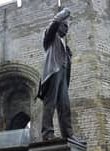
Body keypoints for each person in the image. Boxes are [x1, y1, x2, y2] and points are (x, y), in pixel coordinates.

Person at [37, 8, 76, 141]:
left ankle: (68, 134)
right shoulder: (50, 36)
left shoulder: (64, 44)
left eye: (67, 28)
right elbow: (55, 21)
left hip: (63, 75)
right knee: (50, 103)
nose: (66, 30)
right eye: (64, 26)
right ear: (58, 25)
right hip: (53, 72)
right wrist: (65, 12)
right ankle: (47, 133)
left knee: (65, 106)